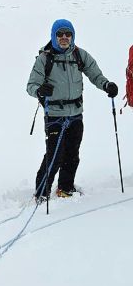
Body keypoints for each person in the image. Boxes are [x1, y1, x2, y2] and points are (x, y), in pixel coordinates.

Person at [28, 18, 116, 199]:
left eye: (68, 34)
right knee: (54, 155)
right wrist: (39, 91)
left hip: (76, 114)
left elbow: (95, 74)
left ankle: (65, 188)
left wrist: (106, 85)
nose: (64, 37)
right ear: (53, 36)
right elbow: (31, 85)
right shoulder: (45, 59)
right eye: (60, 34)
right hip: (54, 115)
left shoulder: (79, 55)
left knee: (72, 154)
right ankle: (41, 192)